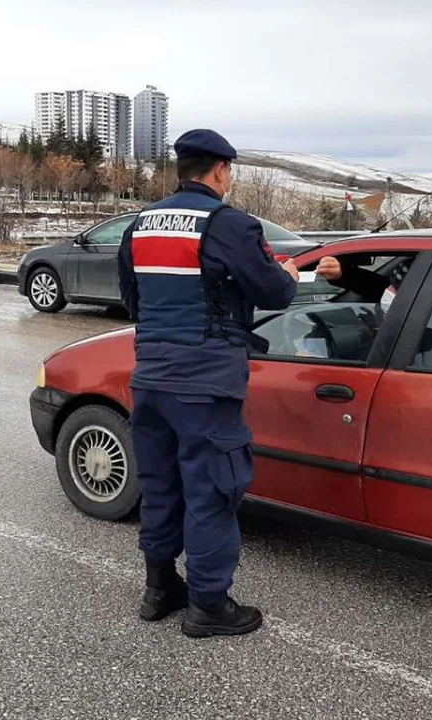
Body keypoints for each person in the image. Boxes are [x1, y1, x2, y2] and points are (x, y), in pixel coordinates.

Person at [117, 129, 300, 638]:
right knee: (213, 491)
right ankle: (209, 607)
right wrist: (288, 272)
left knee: (159, 486)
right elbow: (275, 292)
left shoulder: (141, 224)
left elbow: (132, 300)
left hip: (150, 378)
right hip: (204, 383)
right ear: (220, 170)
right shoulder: (229, 225)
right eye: (231, 171)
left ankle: (159, 590)